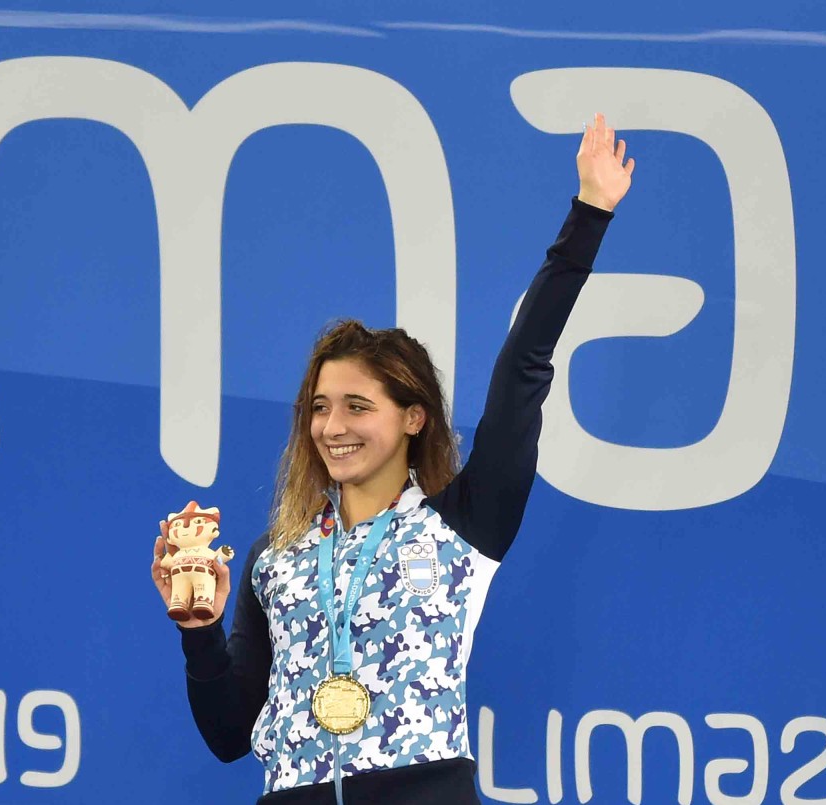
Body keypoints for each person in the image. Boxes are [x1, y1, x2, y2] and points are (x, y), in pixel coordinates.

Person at [151, 113, 635, 804]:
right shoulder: (274, 557)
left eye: (357, 405)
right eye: (319, 406)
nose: (331, 426)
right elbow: (230, 735)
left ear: (413, 417)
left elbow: (523, 363)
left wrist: (589, 213)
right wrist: (198, 634)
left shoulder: (465, 526)